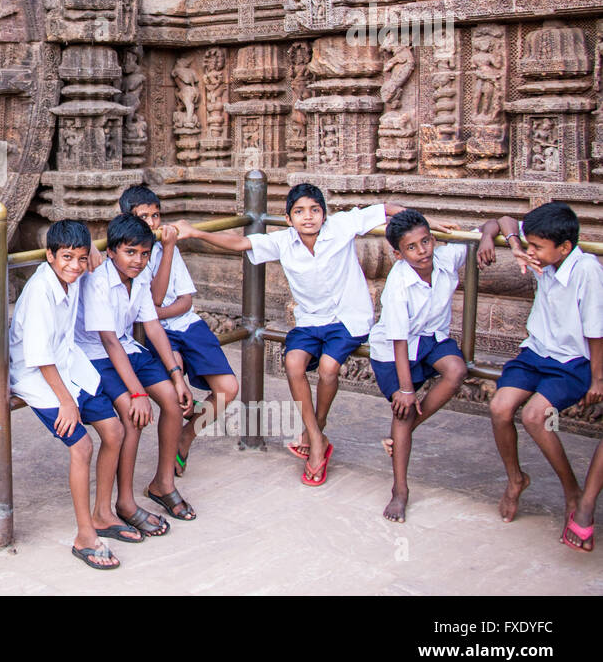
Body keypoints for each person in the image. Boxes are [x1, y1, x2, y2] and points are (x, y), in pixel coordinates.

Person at [175, 184, 404, 486]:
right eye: (299, 212)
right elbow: (240, 243)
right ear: (288, 218)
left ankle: (316, 432)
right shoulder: (284, 241)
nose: (308, 218)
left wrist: (425, 224)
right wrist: (196, 233)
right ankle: (317, 436)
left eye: (314, 210)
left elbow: (386, 210)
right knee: (293, 364)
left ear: (325, 214)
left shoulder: (342, 225)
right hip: (310, 321)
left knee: (328, 368)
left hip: (348, 319)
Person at [10, 220, 129, 570]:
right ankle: (84, 535)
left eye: (80, 257)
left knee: (115, 431)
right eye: (65, 258)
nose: (75, 266)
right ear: (49, 256)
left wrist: (86, 248)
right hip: (38, 374)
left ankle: (104, 513)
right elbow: (39, 356)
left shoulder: (72, 274)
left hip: (68, 362)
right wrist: (65, 401)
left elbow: (89, 254)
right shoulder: (40, 291)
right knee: (82, 446)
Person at [481, 203, 603, 542]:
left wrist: (597, 378)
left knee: (536, 416)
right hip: (536, 351)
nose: (531, 251)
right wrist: (511, 244)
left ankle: (572, 491)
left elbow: (596, 332)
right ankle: (515, 478)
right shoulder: (542, 257)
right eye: (529, 244)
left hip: (571, 362)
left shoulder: (587, 271)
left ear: (564, 248)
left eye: (537, 246)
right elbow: (500, 219)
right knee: (499, 407)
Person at [368, 210, 494, 522]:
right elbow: (398, 340)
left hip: (432, 338)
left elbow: (490, 224)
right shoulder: (398, 282)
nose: (423, 250)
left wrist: (489, 238)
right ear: (398, 254)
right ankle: (400, 490)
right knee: (403, 407)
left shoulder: (445, 258)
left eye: (426, 241)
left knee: (456, 370)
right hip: (396, 349)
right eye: (412, 247)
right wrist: (406, 390)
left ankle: (401, 435)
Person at [76, 213, 194, 527]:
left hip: (127, 347)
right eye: (130, 252)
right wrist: (138, 392)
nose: (139, 260)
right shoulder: (97, 280)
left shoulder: (140, 278)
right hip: (96, 355)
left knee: (173, 400)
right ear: (111, 251)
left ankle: (163, 483)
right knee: (133, 414)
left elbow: (152, 326)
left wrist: (176, 375)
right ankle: (125, 502)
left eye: (144, 254)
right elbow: (108, 342)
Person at [118, 186, 238, 477]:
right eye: (143, 216)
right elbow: (156, 300)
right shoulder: (134, 255)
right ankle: (167, 461)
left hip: (188, 325)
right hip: (157, 331)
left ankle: (187, 436)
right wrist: (168, 249)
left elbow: (186, 301)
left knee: (228, 389)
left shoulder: (163, 246)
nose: (151, 223)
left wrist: (160, 309)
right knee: (173, 393)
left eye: (155, 215)